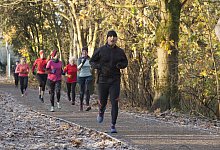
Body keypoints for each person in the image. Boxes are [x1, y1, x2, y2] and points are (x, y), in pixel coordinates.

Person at [90, 30, 128, 133]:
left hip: (115, 80)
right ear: (107, 38)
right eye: (110, 36)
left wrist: (120, 65)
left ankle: (113, 125)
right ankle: (101, 112)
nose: (112, 38)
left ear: (116, 39)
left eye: (114, 37)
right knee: (102, 102)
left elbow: (125, 62)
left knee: (114, 102)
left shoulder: (120, 51)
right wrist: (99, 67)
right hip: (103, 80)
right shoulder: (100, 50)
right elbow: (92, 61)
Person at [77, 47, 93, 111]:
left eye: (86, 51)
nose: (84, 52)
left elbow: (92, 67)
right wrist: (83, 62)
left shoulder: (90, 59)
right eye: (83, 51)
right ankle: (81, 105)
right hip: (81, 76)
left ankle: (87, 104)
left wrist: (92, 67)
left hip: (88, 75)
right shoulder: (80, 59)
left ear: (87, 52)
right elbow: (78, 68)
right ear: (82, 52)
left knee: (87, 89)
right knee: (82, 91)